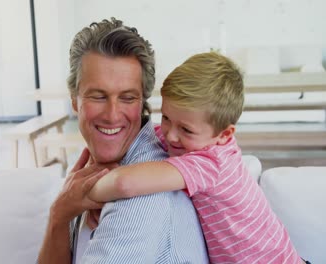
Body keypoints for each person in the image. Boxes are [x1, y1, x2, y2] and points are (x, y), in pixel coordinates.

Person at [88, 52, 306, 263]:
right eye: (165, 117)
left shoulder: (209, 163)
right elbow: (138, 136)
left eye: (186, 129)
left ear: (225, 134)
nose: (170, 134)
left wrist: (84, 195)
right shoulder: (199, 140)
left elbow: (124, 183)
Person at [37, 18, 208, 263]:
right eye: (98, 96)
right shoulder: (89, 168)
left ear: (142, 104)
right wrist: (60, 215)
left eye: (127, 98)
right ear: (75, 101)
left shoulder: (143, 194)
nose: (112, 115)